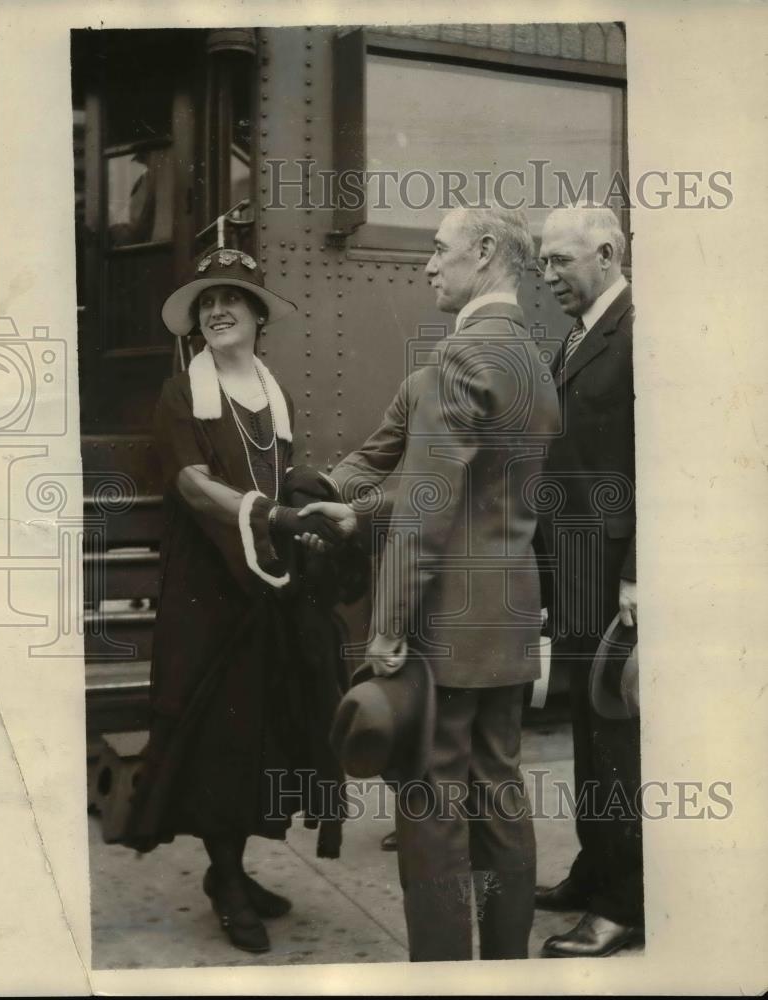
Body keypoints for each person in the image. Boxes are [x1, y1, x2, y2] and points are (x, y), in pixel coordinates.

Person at [300, 206, 560, 961]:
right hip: (507, 620)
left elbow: (425, 509)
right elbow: (476, 497)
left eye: (441, 250)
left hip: (443, 626)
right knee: (500, 794)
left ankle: (443, 975)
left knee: (431, 808)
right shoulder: (532, 360)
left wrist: (385, 629)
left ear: (485, 252)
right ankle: (507, 970)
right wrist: (360, 508)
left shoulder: (458, 359)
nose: (428, 265)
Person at [121, 248, 358, 954]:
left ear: (257, 315)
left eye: (230, 298)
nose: (216, 311)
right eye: (205, 302)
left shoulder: (270, 392)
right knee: (218, 739)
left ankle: (235, 868)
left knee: (260, 729)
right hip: (206, 589)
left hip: (264, 584)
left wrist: (302, 522)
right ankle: (224, 878)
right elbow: (193, 485)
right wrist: (273, 518)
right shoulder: (180, 393)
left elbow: (280, 480)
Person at [534, 205, 643, 957]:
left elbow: (665, 463)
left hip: (613, 576)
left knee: (617, 738)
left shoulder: (640, 332)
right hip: (575, 569)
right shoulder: (578, 335)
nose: (547, 276)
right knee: (586, 725)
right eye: (543, 262)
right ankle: (594, 867)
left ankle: (624, 902)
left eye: (560, 261)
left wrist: (637, 576)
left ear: (605, 254)